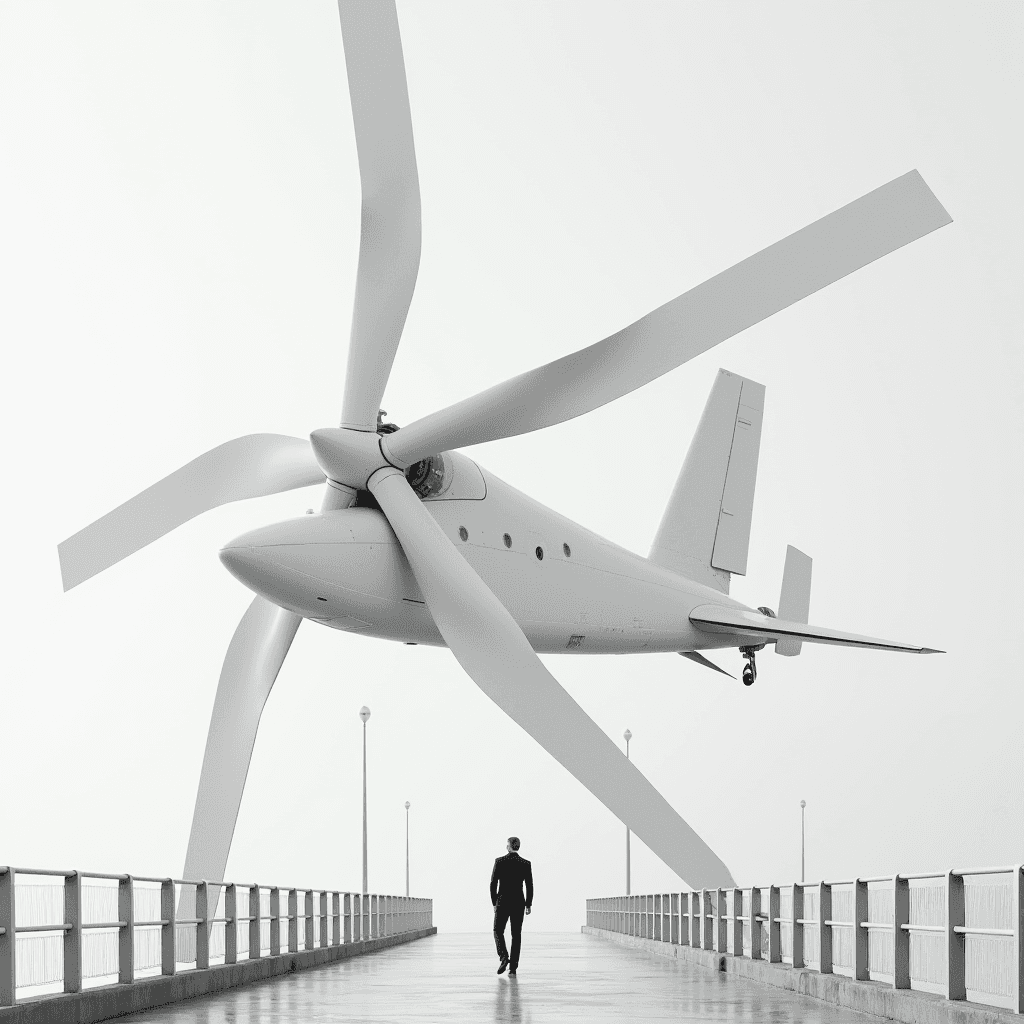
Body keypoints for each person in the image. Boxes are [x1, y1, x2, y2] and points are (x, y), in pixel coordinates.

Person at [490, 836, 533, 976]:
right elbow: (529, 885)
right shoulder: (525, 863)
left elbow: (493, 884)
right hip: (518, 902)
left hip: (502, 901)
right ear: (518, 846)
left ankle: (504, 958)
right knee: (516, 934)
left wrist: (494, 902)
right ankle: (513, 968)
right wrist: (528, 904)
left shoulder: (499, 861)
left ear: (509, 846)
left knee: (497, 930)